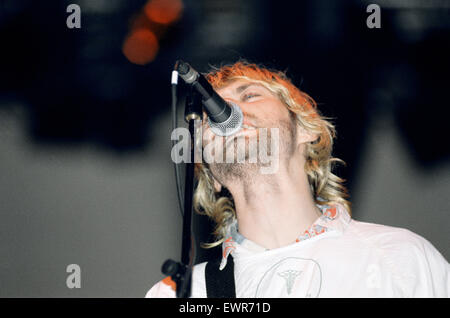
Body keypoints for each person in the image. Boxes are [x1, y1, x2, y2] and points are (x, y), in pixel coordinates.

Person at [146, 61, 449, 298]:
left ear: (306, 131)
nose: (227, 113)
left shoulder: (400, 257)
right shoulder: (184, 293)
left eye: (250, 95)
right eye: (211, 116)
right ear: (212, 175)